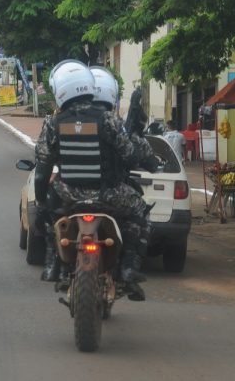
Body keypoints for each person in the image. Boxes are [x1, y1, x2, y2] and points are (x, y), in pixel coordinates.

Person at [34, 60, 149, 298]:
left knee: (48, 215)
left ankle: (52, 264)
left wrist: (41, 202)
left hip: (68, 194)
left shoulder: (53, 123)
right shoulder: (107, 119)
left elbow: (43, 168)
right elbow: (128, 155)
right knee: (139, 209)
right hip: (108, 195)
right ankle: (128, 268)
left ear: (60, 90)